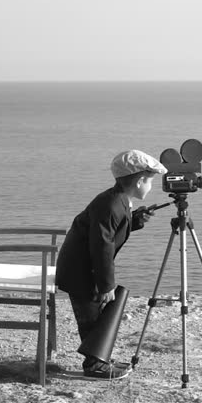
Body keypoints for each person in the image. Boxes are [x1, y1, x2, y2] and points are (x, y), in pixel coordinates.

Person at [56, 149, 167, 379]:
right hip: (80, 270)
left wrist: (135, 219)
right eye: (150, 181)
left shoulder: (118, 200)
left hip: (84, 266)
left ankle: (100, 359)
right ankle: (95, 365)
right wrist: (106, 284)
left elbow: (112, 231)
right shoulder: (111, 204)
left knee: (96, 314)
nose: (150, 186)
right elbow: (102, 246)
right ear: (139, 181)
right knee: (91, 318)